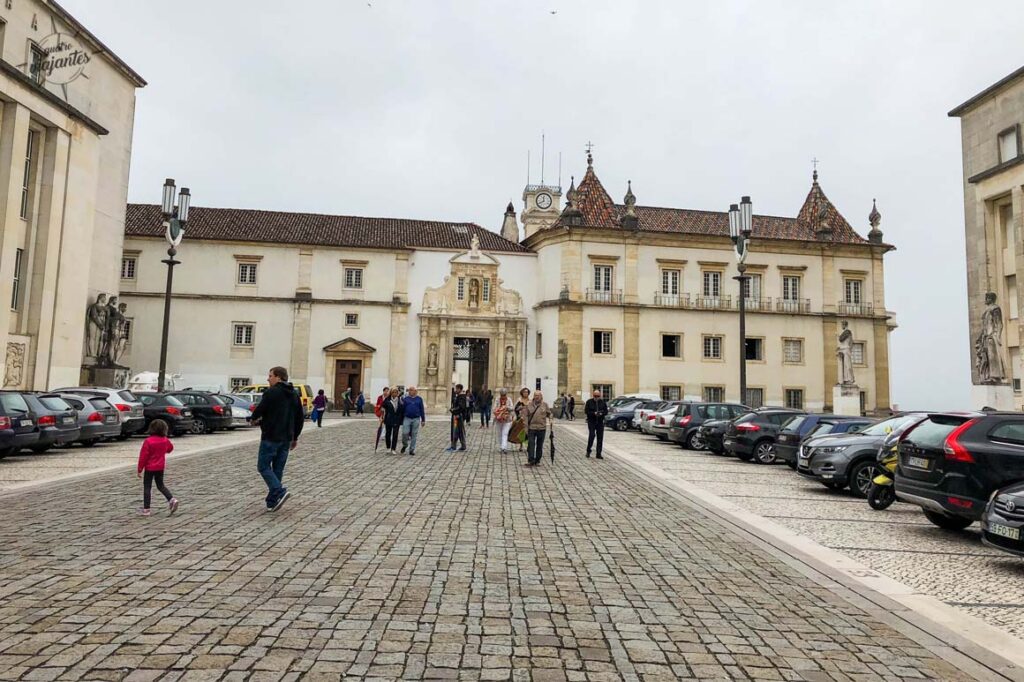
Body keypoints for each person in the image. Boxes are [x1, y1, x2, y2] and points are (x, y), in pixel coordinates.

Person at [251, 366, 304, 511]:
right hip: (286, 437)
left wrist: (253, 418)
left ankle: (279, 490)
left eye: (270, 376)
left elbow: (260, 409)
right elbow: (299, 417)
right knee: (277, 470)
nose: (268, 379)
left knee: (263, 466)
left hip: (271, 436)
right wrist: (295, 437)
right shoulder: (294, 394)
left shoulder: (271, 393)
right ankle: (272, 501)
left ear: (278, 377)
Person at [137, 419, 178, 516]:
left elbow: (143, 456)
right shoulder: (164, 440)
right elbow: (170, 448)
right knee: (161, 485)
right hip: (160, 467)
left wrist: (139, 469)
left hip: (149, 468)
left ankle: (146, 509)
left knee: (147, 487)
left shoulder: (148, 441)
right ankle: (172, 499)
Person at [525, 390, 552, 466]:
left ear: (541, 396)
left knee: (539, 445)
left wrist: (551, 419)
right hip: (532, 428)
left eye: (538, 395)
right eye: (535, 395)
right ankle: (531, 460)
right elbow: (526, 416)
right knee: (531, 444)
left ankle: (537, 460)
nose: (536, 397)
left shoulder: (545, 405)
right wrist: (526, 427)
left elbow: (549, 414)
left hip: (541, 428)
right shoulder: (529, 405)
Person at [401, 386, 426, 455]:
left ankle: (412, 449)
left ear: (415, 391)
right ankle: (405, 445)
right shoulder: (406, 399)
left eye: (411, 390)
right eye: (409, 390)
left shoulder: (419, 399)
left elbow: (422, 409)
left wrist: (423, 419)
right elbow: (402, 409)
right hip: (407, 418)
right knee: (405, 433)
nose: (410, 391)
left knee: (414, 434)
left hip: (416, 418)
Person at [584, 389, 608, 459]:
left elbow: (606, 411)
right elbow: (586, 411)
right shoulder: (589, 402)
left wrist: (601, 413)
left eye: (598, 396)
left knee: (600, 438)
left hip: (600, 422)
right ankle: (588, 451)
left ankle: (598, 453)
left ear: (600, 396)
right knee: (592, 435)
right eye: (595, 396)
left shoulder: (603, 402)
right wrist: (593, 413)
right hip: (591, 421)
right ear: (593, 395)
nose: (596, 397)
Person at [381, 387, 405, 454]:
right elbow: (382, 408)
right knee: (388, 434)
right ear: (391, 393)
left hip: (397, 420)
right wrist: (382, 416)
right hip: (388, 419)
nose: (395, 394)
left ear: (397, 393)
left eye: (396, 392)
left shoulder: (400, 400)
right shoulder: (387, 400)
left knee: (395, 434)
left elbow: (402, 410)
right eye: (393, 392)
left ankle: (393, 449)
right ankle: (388, 447)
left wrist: (402, 418)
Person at [446, 384, 469, 452]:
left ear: (459, 389)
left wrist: (453, 410)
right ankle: (461, 445)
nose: (455, 390)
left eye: (456, 389)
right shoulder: (458, 396)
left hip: (458, 416)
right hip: (456, 416)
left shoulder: (461, 397)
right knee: (457, 431)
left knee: (456, 431)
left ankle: (455, 446)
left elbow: (461, 407)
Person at [494, 388, 514, 453]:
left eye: (504, 395)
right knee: (499, 433)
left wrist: (506, 408)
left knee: (505, 433)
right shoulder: (497, 399)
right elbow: (494, 408)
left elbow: (512, 407)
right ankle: (501, 446)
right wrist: (499, 409)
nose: (503, 396)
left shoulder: (509, 399)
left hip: (507, 419)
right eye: (502, 395)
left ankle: (504, 447)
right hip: (499, 419)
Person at [514, 387, 531, 453]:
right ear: (522, 393)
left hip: (528, 419)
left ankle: (528, 445)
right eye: (524, 392)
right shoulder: (519, 400)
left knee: (528, 433)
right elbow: (515, 409)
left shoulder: (530, 401)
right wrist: (519, 409)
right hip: (521, 418)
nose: (525, 393)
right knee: (521, 432)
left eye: (527, 392)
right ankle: (521, 445)